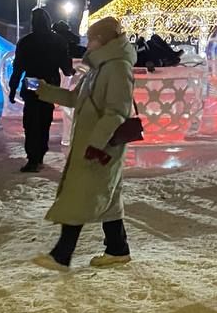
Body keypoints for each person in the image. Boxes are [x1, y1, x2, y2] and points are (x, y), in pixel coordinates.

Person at [31, 17, 138, 271]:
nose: (86, 43)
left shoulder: (118, 68)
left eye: (91, 38)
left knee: (79, 194)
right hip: (92, 144)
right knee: (108, 199)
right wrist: (45, 91)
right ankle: (118, 249)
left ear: (102, 40)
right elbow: (74, 98)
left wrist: (96, 144)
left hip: (102, 147)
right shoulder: (98, 68)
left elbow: (116, 112)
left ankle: (61, 254)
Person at [9, 8, 74, 173]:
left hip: (31, 83)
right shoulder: (58, 41)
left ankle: (32, 158)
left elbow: (17, 69)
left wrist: (12, 88)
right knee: (44, 122)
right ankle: (40, 157)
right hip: (50, 85)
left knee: (31, 122)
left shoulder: (25, 42)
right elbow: (66, 69)